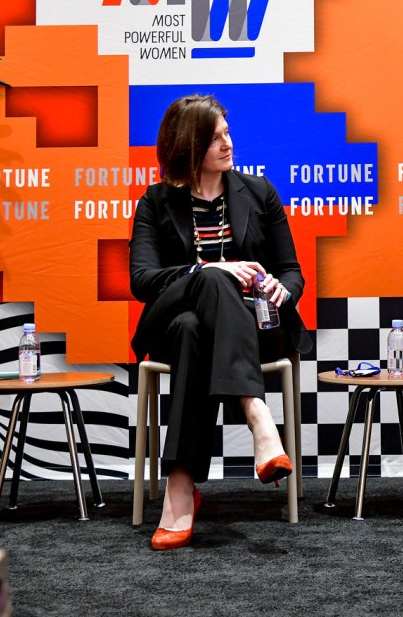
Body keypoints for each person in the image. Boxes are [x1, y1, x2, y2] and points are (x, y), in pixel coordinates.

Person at [129, 94, 308, 550]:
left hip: (254, 329)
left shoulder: (259, 192)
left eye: (228, 133)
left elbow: (292, 271)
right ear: (188, 148)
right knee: (208, 284)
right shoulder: (155, 201)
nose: (228, 143)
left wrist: (280, 289)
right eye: (215, 138)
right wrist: (207, 271)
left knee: (195, 329)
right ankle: (258, 415)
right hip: (169, 326)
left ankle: (180, 490)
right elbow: (143, 280)